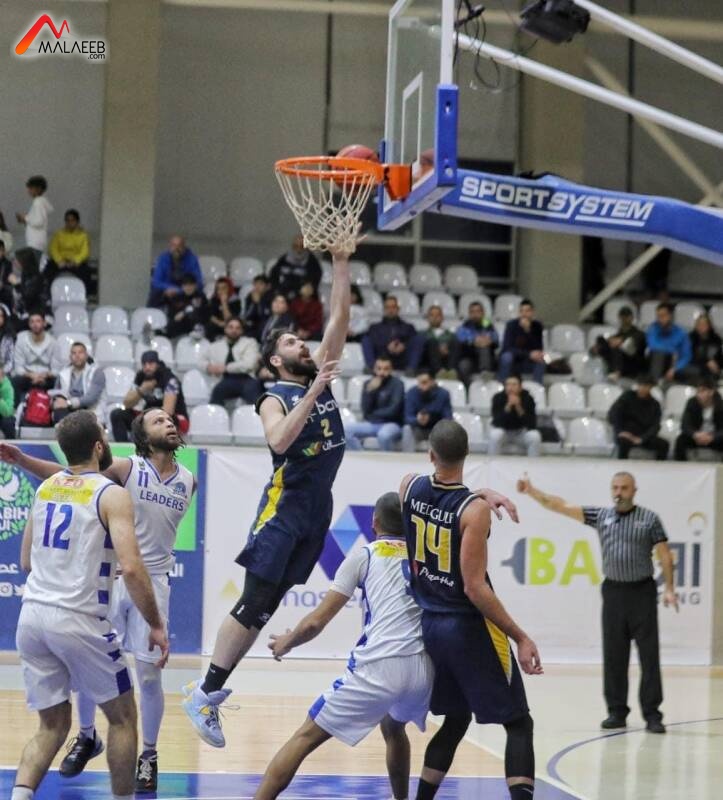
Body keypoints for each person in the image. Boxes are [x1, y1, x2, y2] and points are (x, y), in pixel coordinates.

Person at [181, 245, 353, 748]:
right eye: (295, 342)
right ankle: (205, 692)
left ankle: (208, 690)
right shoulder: (275, 397)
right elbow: (278, 441)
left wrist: (341, 263)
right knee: (254, 600)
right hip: (283, 511)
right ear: (278, 359)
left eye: (303, 339)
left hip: (315, 513)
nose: (305, 344)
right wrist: (314, 393)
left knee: (266, 606)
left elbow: (340, 319)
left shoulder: (319, 377)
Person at [1, 408, 194, 793]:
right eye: (158, 420)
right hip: (116, 579)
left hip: (149, 581)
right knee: (103, 687)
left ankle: (149, 755)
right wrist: (24, 461)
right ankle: (87, 735)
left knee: (147, 676)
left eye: (170, 419)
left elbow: (67, 481)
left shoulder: (189, 479)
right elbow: (73, 476)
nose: (169, 423)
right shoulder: (126, 471)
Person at [253, 493, 433, 800]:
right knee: (393, 726)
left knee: (305, 736)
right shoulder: (425, 558)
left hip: (380, 667)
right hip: (423, 670)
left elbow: (315, 623)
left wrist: (287, 641)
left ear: (374, 523)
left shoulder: (366, 555)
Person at [400, 420, 541, 800]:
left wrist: (478, 495)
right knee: (519, 723)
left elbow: (439, 498)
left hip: (431, 625)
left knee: (457, 718)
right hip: (467, 627)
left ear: (430, 454)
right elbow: (474, 587)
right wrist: (521, 637)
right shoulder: (473, 511)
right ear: (467, 454)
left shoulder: (408, 486)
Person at [517, 471, 677, 733]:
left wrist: (669, 588)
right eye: (615, 487)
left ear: (634, 490)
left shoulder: (649, 519)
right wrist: (532, 491)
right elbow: (560, 506)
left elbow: (665, 555)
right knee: (614, 655)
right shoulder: (602, 516)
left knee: (649, 656)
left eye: (624, 488)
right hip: (614, 592)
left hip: (642, 592)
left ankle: (652, 715)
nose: (619, 492)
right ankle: (616, 712)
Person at [110, 352, 187, 443]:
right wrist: (142, 389)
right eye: (144, 364)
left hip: (175, 418)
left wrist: (147, 420)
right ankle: (124, 447)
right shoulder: (141, 377)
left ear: (157, 364)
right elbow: (127, 403)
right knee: (117, 414)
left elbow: (168, 411)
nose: (147, 367)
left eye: (150, 363)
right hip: (149, 413)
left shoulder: (169, 379)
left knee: (162, 419)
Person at [345, 356, 404, 451]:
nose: (382, 372)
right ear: (374, 369)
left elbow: (394, 410)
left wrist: (373, 414)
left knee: (383, 435)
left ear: (391, 370)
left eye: (386, 369)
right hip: (373, 423)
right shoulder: (368, 384)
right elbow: (365, 410)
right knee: (346, 430)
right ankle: (363, 457)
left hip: (392, 423)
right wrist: (370, 391)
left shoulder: (398, 384)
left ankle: (387, 460)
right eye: (379, 368)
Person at [201, 317, 261, 406]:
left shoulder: (250, 343)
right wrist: (208, 367)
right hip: (225, 380)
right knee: (217, 392)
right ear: (225, 329)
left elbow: (249, 364)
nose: (234, 330)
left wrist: (226, 368)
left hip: (247, 378)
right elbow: (201, 360)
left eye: (237, 328)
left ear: (242, 331)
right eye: (231, 327)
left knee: (256, 399)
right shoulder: (216, 345)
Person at [607, 375, 668, 460]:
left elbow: (656, 425)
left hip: (643, 436)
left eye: (646, 386)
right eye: (641, 385)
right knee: (623, 442)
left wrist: (642, 438)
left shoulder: (655, 404)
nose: (642, 388)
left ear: (651, 387)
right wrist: (620, 431)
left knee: (664, 444)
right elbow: (614, 414)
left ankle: (658, 467)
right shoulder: (627, 397)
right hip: (626, 434)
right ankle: (622, 465)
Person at [362, 296, 424, 373]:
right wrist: (387, 346)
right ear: (384, 309)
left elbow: (413, 343)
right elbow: (374, 341)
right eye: (387, 307)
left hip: (402, 359)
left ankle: (411, 369)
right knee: (366, 339)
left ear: (398, 309)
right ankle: (372, 367)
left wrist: (404, 345)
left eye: (393, 307)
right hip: (382, 358)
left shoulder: (408, 327)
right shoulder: (375, 327)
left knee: (419, 338)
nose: (390, 310)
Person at [52, 342, 106, 424]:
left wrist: (68, 403)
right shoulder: (63, 373)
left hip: (90, 410)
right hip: (69, 410)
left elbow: (91, 398)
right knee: (59, 413)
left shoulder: (97, 372)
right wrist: (56, 401)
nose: (77, 356)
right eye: (74, 353)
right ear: (70, 357)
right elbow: (56, 393)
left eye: (80, 352)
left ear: (86, 355)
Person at [488, 375, 542, 457]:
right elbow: (497, 422)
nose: (510, 388)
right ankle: (492, 462)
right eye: (508, 384)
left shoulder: (528, 398)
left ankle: (533, 463)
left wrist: (518, 407)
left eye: (514, 384)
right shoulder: (498, 398)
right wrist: (508, 406)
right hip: (504, 431)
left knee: (535, 436)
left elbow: (531, 424)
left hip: (521, 432)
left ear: (520, 387)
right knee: (494, 435)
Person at [591, 306, 647, 382]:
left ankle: (617, 372)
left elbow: (635, 346)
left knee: (618, 345)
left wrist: (621, 341)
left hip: (633, 364)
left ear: (632, 317)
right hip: (619, 362)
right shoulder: (616, 336)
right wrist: (599, 347)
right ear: (619, 317)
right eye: (622, 316)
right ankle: (611, 371)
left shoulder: (639, 334)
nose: (624, 318)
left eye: (627, 316)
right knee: (602, 341)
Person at [401, 369, 452, 453]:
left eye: (424, 382)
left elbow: (448, 418)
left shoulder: (443, 394)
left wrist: (431, 418)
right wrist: (417, 420)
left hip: (436, 430)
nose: (420, 386)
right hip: (418, 428)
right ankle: (407, 457)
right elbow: (407, 417)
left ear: (432, 382)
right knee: (407, 429)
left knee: (447, 430)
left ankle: (442, 459)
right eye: (419, 382)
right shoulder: (411, 393)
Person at [674, 376, 723, 461]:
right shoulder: (692, 402)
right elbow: (684, 424)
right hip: (697, 437)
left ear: (711, 392)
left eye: (702, 391)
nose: (698, 395)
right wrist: (695, 434)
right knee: (681, 440)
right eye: (698, 392)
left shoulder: (720, 405)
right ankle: (680, 466)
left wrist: (713, 437)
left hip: (714, 438)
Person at [147, 236, 203, 309]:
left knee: (198, 295)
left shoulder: (192, 259)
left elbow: (198, 282)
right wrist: (168, 289)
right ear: (169, 247)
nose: (176, 248)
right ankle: (151, 314)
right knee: (155, 293)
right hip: (166, 289)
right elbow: (156, 281)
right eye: (173, 245)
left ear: (184, 247)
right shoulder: (162, 258)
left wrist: (179, 290)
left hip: (185, 290)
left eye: (179, 245)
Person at [498, 299, 545, 385]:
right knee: (506, 357)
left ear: (532, 312)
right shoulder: (511, 325)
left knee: (541, 360)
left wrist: (528, 331)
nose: (524, 314)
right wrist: (528, 354)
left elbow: (538, 348)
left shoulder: (537, 326)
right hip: (514, 361)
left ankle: (536, 388)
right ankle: (503, 386)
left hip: (528, 362)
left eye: (527, 311)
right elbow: (507, 348)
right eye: (521, 311)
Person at [12, 311, 55, 403]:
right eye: (32, 321)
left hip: (46, 377)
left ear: (44, 323)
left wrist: (44, 375)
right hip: (27, 376)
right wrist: (31, 375)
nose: (35, 324)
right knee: (14, 380)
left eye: (38, 321)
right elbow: (18, 367)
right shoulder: (21, 340)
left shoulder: (53, 342)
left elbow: (56, 368)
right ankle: (17, 408)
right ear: (29, 324)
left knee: (58, 380)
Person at [45, 209, 92, 291]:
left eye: (72, 220)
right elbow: (53, 248)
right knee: (48, 271)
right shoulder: (59, 234)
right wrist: (59, 260)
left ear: (77, 222)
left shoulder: (83, 235)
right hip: (60, 262)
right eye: (67, 220)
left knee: (86, 273)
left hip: (76, 263)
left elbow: (85, 251)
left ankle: (84, 295)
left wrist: (75, 261)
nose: (69, 223)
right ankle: (49, 294)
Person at [646, 302, 691, 383]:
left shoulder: (681, 333)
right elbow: (653, 346)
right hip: (657, 361)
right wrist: (672, 351)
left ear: (670, 316)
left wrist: (675, 368)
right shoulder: (653, 329)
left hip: (674, 365)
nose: (660, 319)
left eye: (663, 316)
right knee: (658, 354)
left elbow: (686, 356)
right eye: (658, 316)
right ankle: (656, 382)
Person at [455, 301, 498, 384]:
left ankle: (485, 373)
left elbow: (496, 341)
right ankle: (467, 388)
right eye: (472, 312)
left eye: (478, 311)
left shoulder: (488, 325)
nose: (475, 314)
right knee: (463, 366)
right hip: (470, 358)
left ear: (483, 313)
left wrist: (488, 341)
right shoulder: (465, 326)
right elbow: (461, 342)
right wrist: (473, 342)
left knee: (484, 347)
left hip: (488, 359)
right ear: (469, 314)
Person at [269, 233, 322, 299]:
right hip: (283, 291)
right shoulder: (284, 258)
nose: (298, 249)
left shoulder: (312, 261)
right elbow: (273, 274)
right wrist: (276, 288)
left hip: (301, 294)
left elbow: (315, 279)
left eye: (301, 246)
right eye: (296, 246)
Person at [162, 274, 209, 339]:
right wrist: (176, 317)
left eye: (191, 285)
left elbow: (204, 313)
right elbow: (172, 315)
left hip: (197, 328)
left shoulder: (201, 297)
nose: (188, 288)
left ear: (195, 285)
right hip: (181, 328)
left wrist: (184, 313)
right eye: (185, 285)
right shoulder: (177, 298)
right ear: (182, 286)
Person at [16, 175, 53, 256]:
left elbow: (39, 222)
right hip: (37, 241)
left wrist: (25, 218)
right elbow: (36, 220)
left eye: (30, 188)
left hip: (35, 242)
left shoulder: (38, 202)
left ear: (38, 189)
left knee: (34, 262)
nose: (28, 191)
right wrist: (25, 219)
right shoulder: (41, 202)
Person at [421, 305, 459, 379]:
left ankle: (451, 371)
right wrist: (438, 349)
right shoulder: (422, 334)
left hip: (447, 360)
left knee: (455, 342)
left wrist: (447, 348)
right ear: (428, 318)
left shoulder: (450, 335)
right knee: (432, 342)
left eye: (438, 315)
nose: (435, 317)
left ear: (442, 317)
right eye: (432, 315)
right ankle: (439, 371)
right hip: (429, 361)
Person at [685, 313, 722, 383]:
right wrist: (707, 362)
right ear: (696, 326)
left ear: (709, 326)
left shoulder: (716, 339)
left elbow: (719, 357)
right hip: (695, 368)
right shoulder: (690, 338)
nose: (701, 327)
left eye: (704, 324)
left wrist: (717, 365)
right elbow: (689, 357)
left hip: (712, 370)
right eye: (699, 324)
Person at [207, 277, 241, 341]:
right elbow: (211, 315)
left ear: (229, 289)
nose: (220, 291)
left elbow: (230, 319)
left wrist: (224, 303)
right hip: (218, 324)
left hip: (231, 325)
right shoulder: (214, 298)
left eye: (223, 288)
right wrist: (219, 323)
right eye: (218, 288)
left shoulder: (235, 300)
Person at [242, 274, 272, 342]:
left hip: (264, 326)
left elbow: (266, 317)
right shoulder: (250, 296)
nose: (257, 287)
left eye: (261, 284)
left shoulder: (271, 297)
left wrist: (259, 303)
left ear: (268, 286)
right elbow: (247, 314)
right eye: (255, 284)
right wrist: (253, 303)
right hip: (251, 325)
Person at [0, 364, 15, 439]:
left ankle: (11, 444)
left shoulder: (7, 387)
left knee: (8, 422)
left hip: (2, 415)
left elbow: (7, 412)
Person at [0, 304, 15, 375]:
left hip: (2, 372)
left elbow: (11, 361)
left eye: (1, 316)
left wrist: (2, 371)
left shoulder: (8, 337)